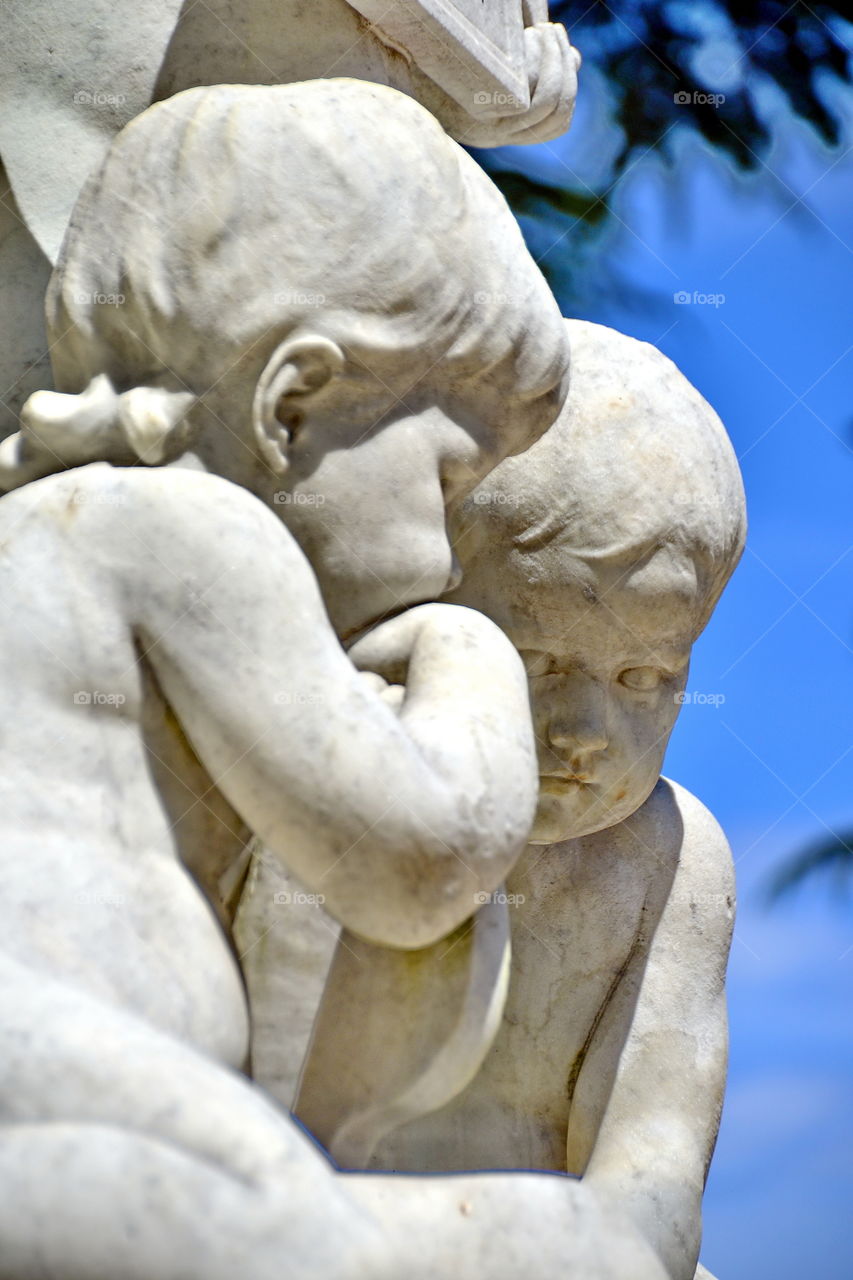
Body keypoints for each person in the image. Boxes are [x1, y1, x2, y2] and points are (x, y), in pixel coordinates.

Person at [0, 81, 658, 1280]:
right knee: (561, 1250)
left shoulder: (49, 533)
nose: (454, 555)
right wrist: (471, 656)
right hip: (58, 1061)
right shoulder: (195, 530)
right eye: (448, 483)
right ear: (291, 404)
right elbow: (420, 858)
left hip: (85, 1087)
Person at [297, 319, 746, 1280]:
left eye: (640, 678)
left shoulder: (668, 858)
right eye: (537, 660)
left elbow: (652, 1170)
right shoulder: (342, 778)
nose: (583, 731)